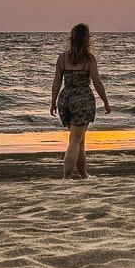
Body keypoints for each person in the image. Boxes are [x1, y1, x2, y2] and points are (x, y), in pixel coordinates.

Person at [50, 22, 111, 179]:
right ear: (86, 39)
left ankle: (84, 174)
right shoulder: (89, 59)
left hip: (65, 99)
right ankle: (67, 176)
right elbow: (97, 82)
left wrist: (53, 101)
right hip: (82, 100)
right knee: (75, 140)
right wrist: (105, 101)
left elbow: (57, 82)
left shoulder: (62, 58)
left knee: (80, 140)